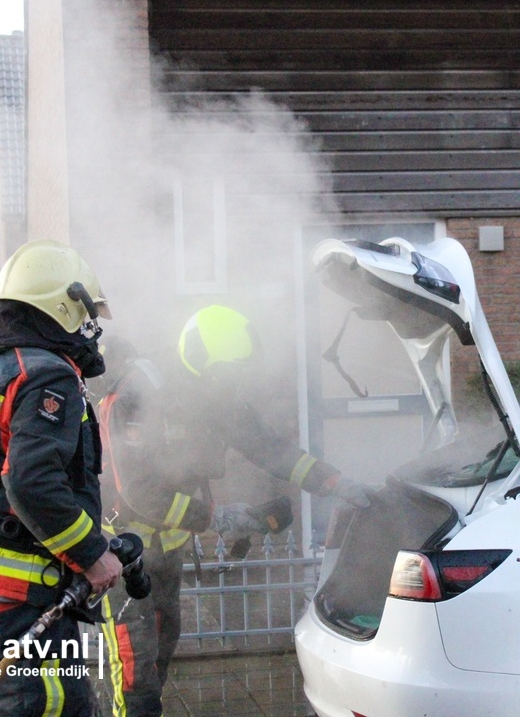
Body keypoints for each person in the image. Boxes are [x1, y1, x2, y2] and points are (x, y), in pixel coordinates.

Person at [97, 304, 371, 717]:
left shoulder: (214, 395)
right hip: (122, 555)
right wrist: (217, 520)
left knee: (158, 659)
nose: (236, 380)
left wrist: (333, 482)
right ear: (202, 360)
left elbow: (271, 449)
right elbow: (139, 491)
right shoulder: (139, 394)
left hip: (165, 553)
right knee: (134, 677)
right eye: (230, 371)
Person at [0, 239, 122, 717]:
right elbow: (32, 483)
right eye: (84, 313)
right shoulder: (46, 374)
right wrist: (93, 556)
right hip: (13, 604)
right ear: (62, 304)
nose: (88, 329)